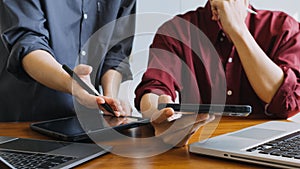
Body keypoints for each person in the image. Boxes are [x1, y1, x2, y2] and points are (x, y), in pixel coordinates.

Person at [134, 0, 300, 147]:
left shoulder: (283, 27)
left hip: (266, 150)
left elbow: (286, 103)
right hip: (195, 147)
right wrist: (158, 117)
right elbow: (154, 88)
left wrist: (238, 30)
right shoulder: (177, 30)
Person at [0, 0, 136, 121]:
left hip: (85, 125)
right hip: (23, 119)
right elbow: (28, 44)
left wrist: (109, 100)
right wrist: (71, 83)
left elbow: (116, 53)